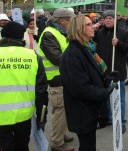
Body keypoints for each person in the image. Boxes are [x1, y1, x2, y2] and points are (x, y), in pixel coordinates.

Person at [60, 15, 118, 151]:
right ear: (79, 29)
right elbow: (80, 88)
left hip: (90, 109)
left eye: (92, 24)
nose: (94, 27)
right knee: (87, 147)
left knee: (89, 145)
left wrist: (107, 79)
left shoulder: (87, 48)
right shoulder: (72, 54)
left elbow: (91, 76)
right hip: (82, 111)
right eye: (89, 25)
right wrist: (104, 92)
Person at [0, 21, 48, 151]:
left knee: (6, 145)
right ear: (22, 37)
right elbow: (41, 90)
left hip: (1, 117)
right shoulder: (32, 56)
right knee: (22, 146)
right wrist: (41, 117)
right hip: (24, 114)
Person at [39, 8, 75, 151]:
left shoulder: (60, 32)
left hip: (62, 77)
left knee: (63, 109)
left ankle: (62, 133)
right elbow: (57, 58)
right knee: (60, 110)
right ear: (62, 21)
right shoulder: (49, 34)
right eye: (70, 20)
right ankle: (57, 143)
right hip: (56, 79)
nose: (72, 23)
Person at [94, 10, 128, 134]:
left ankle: (121, 122)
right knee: (105, 97)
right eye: (106, 18)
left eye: (110, 18)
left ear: (115, 19)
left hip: (118, 71)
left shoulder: (123, 32)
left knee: (119, 99)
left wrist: (119, 43)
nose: (108, 20)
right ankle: (109, 119)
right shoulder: (99, 33)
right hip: (104, 72)